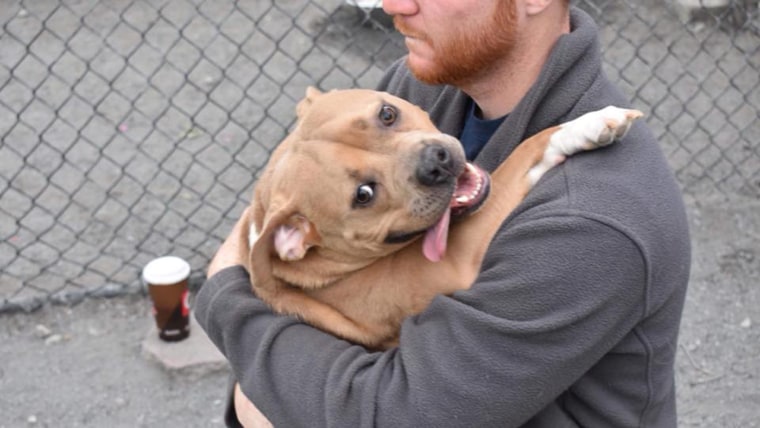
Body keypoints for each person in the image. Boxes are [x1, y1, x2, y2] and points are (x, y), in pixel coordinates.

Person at [195, 0, 691, 426]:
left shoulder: (591, 221)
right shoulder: (420, 93)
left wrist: (228, 303)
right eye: (386, 119)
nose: (393, 5)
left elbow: (396, 416)